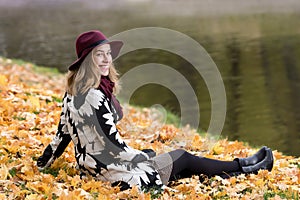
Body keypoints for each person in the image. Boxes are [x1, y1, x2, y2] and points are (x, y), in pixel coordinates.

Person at [37, 30, 274, 191]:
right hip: (115, 177)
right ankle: (245, 167)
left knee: (178, 164)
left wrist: (42, 163)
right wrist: (143, 156)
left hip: (94, 171)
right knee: (182, 157)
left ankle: (236, 169)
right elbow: (113, 146)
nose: (106, 59)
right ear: (87, 60)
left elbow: (62, 135)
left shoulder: (73, 93)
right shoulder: (95, 96)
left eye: (108, 54)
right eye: (99, 54)